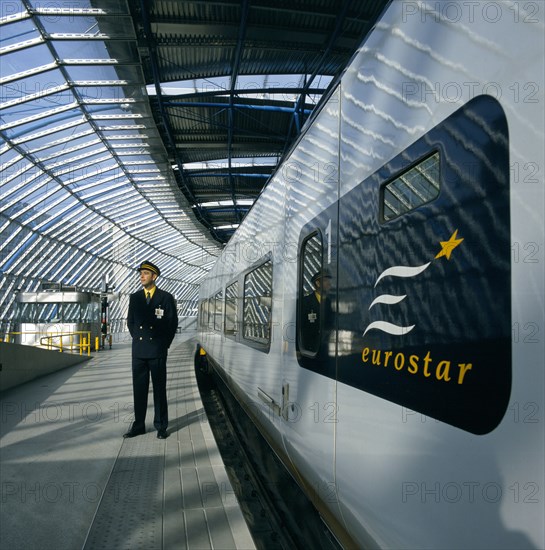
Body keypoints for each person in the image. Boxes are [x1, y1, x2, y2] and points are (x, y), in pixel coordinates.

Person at [124, 261, 178, 439]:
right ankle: (139, 425)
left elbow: (172, 324)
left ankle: (161, 426)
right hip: (138, 352)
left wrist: (163, 345)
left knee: (159, 390)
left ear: (154, 277)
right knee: (138, 390)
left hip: (157, 352)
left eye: (146, 273)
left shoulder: (165, 298)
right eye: (141, 273)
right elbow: (130, 322)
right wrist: (138, 340)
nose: (142, 276)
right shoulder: (135, 297)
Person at [300, 270, 333, 358]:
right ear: (318, 284)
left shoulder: (330, 302)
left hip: (326, 350)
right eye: (326, 281)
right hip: (308, 351)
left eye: (329, 281)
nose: (329, 284)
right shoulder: (304, 302)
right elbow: (299, 326)